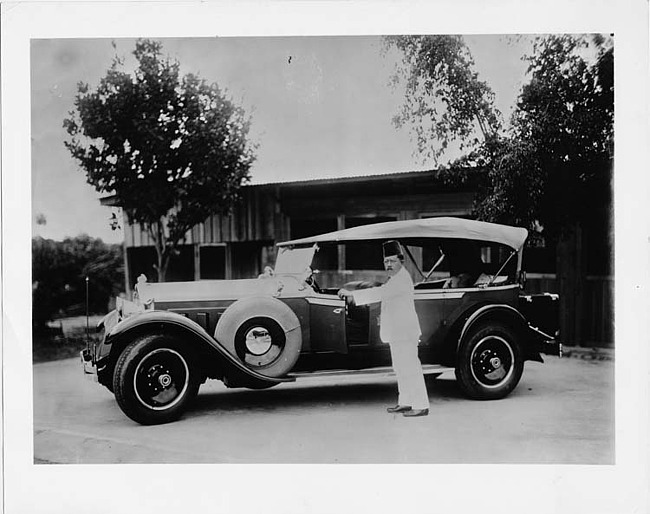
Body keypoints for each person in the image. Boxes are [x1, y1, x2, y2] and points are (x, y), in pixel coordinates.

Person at [338, 240, 429, 417]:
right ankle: (406, 402)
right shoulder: (395, 278)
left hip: (405, 333)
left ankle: (421, 405)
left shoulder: (401, 279)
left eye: (392, 261)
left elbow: (380, 293)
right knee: (400, 368)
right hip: (397, 332)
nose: (388, 265)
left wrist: (352, 294)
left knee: (410, 368)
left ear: (401, 261)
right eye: (386, 261)